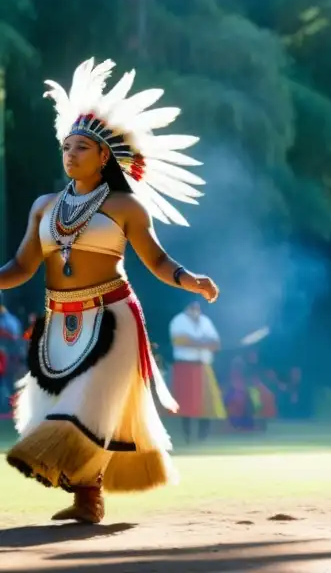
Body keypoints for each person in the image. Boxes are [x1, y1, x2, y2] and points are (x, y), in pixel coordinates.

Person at [0, 58, 219, 523]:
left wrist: (190, 280)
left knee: (83, 407)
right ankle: (88, 496)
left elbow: (157, 261)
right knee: (56, 407)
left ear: (105, 157)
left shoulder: (126, 207)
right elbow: (21, 266)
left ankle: (87, 496)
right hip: (57, 321)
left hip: (113, 318)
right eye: (66, 146)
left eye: (82, 147)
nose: (71, 154)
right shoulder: (44, 207)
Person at [169, 301, 227, 443]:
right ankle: (187, 435)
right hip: (185, 366)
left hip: (204, 366)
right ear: (187, 307)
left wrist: (197, 342)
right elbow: (180, 341)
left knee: (207, 402)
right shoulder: (178, 321)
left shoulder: (206, 321)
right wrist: (203, 343)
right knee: (186, 403)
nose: (195, 310)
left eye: (197, 307)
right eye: (192, 307)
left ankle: (203, 436)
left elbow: (216, 343)